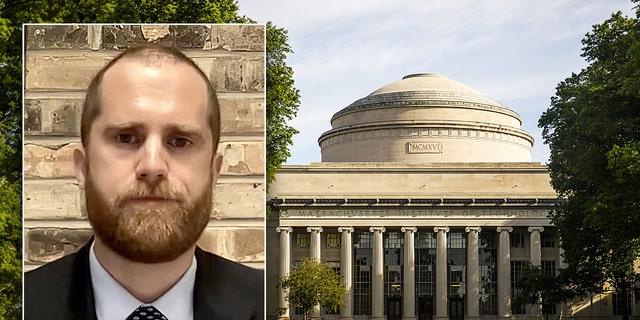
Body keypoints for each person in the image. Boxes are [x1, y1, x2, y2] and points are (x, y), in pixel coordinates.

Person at [24, 44, 264, 320]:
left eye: (179, 141)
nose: (152, 166)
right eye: (126, 137)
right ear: (82, 166)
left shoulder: (260, 302)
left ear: (214, 171)